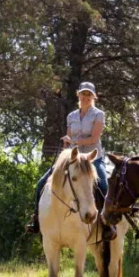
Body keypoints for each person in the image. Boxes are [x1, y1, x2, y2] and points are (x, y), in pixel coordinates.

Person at [27, 82, 114, 239]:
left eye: (89, 95)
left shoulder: (98, 114)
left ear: (93, 97)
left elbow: (94, 138)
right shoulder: (71, 116)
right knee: (41, 183)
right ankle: (36, 220)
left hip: (91, 159)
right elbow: (68, 140)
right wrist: (66, 145)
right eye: (83, 94)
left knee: (104, 185)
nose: (86, 97)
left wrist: (73, 141)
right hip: (72, 159)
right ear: (78, 95)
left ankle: (107, 225)